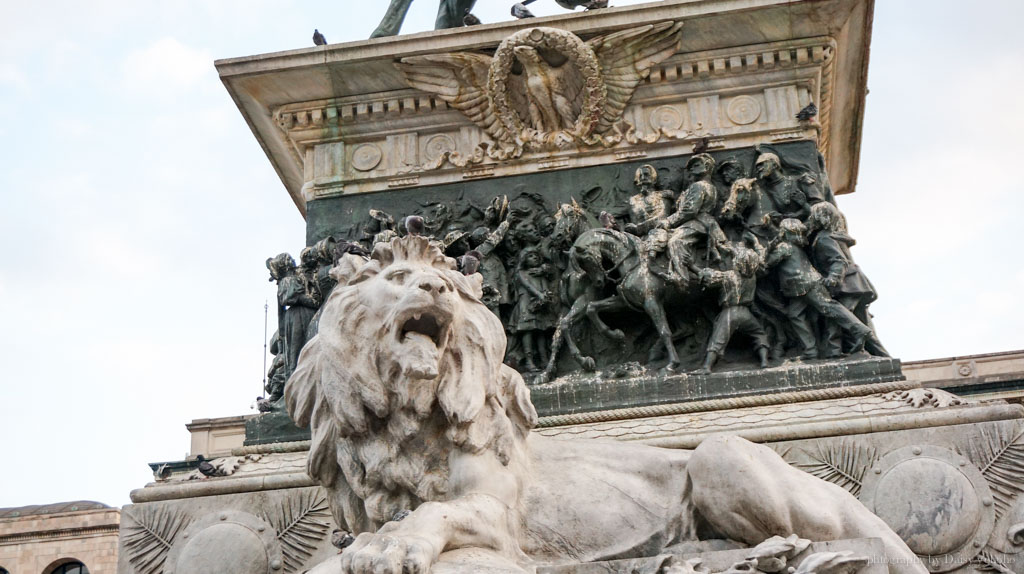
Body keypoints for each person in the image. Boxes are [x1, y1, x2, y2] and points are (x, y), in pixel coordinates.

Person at [763, 219, 872, 360]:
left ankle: (860, 330)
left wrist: (766, 249)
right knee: (795, 315)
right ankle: (810, 351)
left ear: (785, 231)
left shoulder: (785, 246)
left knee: (829, 308)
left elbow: (769, 262)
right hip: (799, 288)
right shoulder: (795, 245)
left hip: (805, 285)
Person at [807, 202, 889, 357]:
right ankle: (882, 356)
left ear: (821, 217)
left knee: (839, 319)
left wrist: (833, 277)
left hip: (847, 286)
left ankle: (838, 352)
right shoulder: (835, 235)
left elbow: (839, 261)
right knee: (861, 322)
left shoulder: (824, 238)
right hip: (856, 284)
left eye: (814, 215)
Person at [695, 238, 770, 374]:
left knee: (717, 340)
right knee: (759, 333)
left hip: (730, 313)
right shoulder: (752, 277)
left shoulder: (729, 276)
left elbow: (710, 277)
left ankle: (706, 367)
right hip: (746, 313)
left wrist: (698, 268)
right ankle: (764, 362)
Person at [661, 153, 730, 281]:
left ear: (707, 166)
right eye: (691, 166)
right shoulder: (709, 187)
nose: (692, 168)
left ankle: (681, 278)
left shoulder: (699, 186)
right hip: (701, 223)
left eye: (696, 165)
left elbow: (689, 211)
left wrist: (668, 221)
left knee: (676, 241)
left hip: (698, 223)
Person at [267, 253, 319, 378]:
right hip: (297, 316)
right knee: (297, 351)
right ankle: (296, 379)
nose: (292, 261)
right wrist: (313, 303)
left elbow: (281, 315)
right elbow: (295, 299)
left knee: (305, 348)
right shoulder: (287, 280)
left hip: (300, 315)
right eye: (289, 260)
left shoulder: (297, 275)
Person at [510, 246, 557, 371]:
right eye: (530, 256)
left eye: (536, 255)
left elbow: (545, 285)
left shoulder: (540, 273)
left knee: (541, 330)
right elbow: (528, 286)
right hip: (526, 303)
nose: (534, 257)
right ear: (524, 260)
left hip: (540, 304)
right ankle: (529, 361)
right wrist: (540, 295)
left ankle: (544, 359)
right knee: (528, 331)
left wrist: (546, 295)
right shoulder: (521, 273)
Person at [623, 164, 674, 236]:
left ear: (654, 178)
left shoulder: (664, 195)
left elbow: (662, 218)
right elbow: (634, 222)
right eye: (640, 176)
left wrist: (639, 228)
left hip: (659, 233)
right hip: (639, 237)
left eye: (646, 175)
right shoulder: (633, 201)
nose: (643, 178)